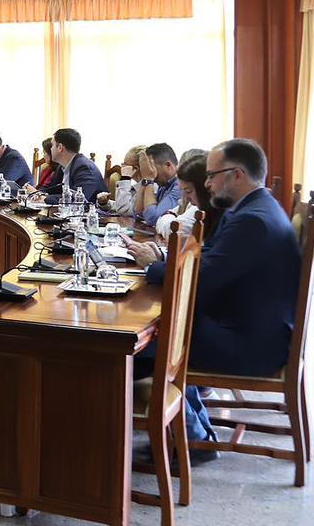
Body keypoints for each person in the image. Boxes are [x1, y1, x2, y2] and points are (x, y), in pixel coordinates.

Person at [128, 139, 300, 459]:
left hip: (251, 344)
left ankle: (189, 438)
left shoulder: (253, 220)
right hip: (255, 329)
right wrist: (164, 261)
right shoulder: (257, 207)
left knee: (135, 343)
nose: (206, 184)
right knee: (158, 333)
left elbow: (202, 278)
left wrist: (153, 268)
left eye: (212, 175)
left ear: (236, 175)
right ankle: (188, 429)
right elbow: (209, 260)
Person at [46, 128, 104, 203]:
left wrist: (45, 198)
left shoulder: (84, 167)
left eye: (52, 145)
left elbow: (78, 198)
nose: (50, 149)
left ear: (60, 147)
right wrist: (37, 194)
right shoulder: (62, 167)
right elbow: (51, 188)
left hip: (91, 212)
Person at [96, 145, 154, 217]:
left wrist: (125, 178)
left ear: (135, 168)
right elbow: (123, 206)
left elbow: (124, 210)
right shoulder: (138, 186)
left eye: (124, 164)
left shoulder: (149, 187)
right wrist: (105, 204)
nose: (122, 167)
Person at [138, 142, 182, 226]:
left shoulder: (180, 186)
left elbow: (153, 219)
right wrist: (145, 181)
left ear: (168, 165)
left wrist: (149, 180)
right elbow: (138, 215)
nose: (151, 173)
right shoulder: (164, 185)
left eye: (152, 169)